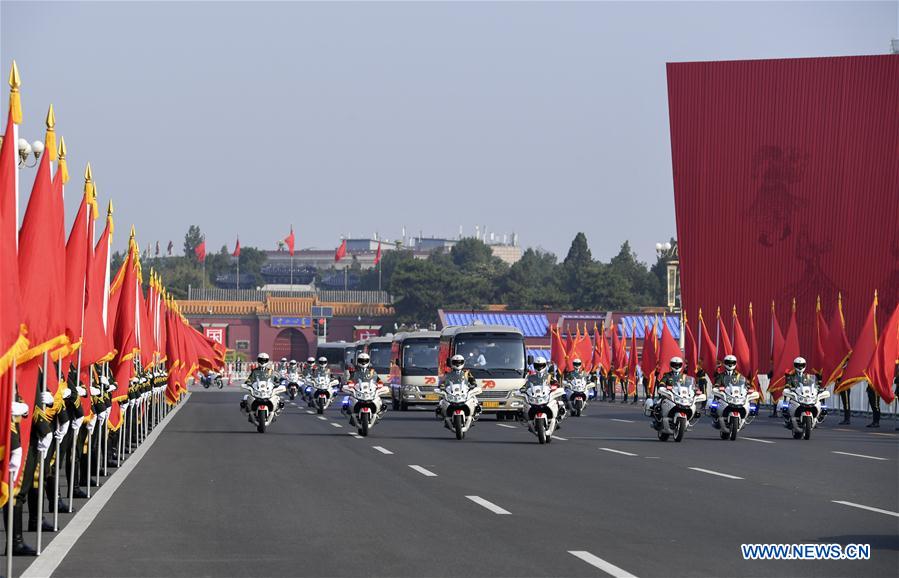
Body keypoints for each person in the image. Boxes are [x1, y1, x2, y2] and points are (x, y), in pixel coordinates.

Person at [521, 357, 565, 422]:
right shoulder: (530, 377)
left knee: (557, 402)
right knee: (523, 405)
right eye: (537, 365)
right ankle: (527, 417)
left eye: (541, 365)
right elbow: (525, 385)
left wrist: (555, 386)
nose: (539, 367)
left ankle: (558, 416)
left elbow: (556, 383)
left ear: (544, 365)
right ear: (534, 366)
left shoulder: (549, 376)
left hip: (546, 395)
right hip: (535, 396)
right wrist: (523, 389)